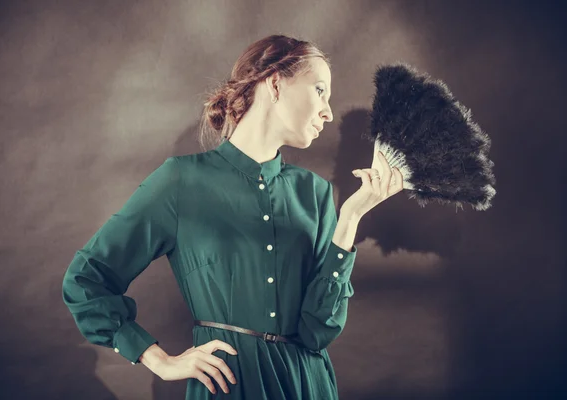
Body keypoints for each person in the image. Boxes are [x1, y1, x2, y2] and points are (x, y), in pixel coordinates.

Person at [62, 34, 404, 399]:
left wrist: (351, 216)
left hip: (308, 386)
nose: (328, 111)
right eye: (320, 90)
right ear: (275, 84)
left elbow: (317, 332)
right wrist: (158, 359)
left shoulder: (315, 193)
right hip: (228, 386)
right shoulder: (180, 181)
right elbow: (86, 280)